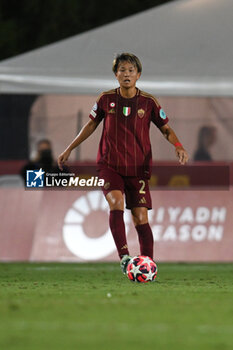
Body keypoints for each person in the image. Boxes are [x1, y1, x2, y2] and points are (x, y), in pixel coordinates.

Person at [58, 53, 189, 274]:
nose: (126, 74)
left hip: (138, 168)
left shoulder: (148, 102)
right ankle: (125, 257)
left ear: (138, 75)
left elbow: (165, 129)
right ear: (115, 74)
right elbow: (90, 125)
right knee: (115, 202)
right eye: (122, 70)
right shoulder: (105, 99)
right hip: (109, 164)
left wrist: (178, 145)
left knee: (140, 218)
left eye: (130, 70)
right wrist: (70, 147)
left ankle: (146, 266)